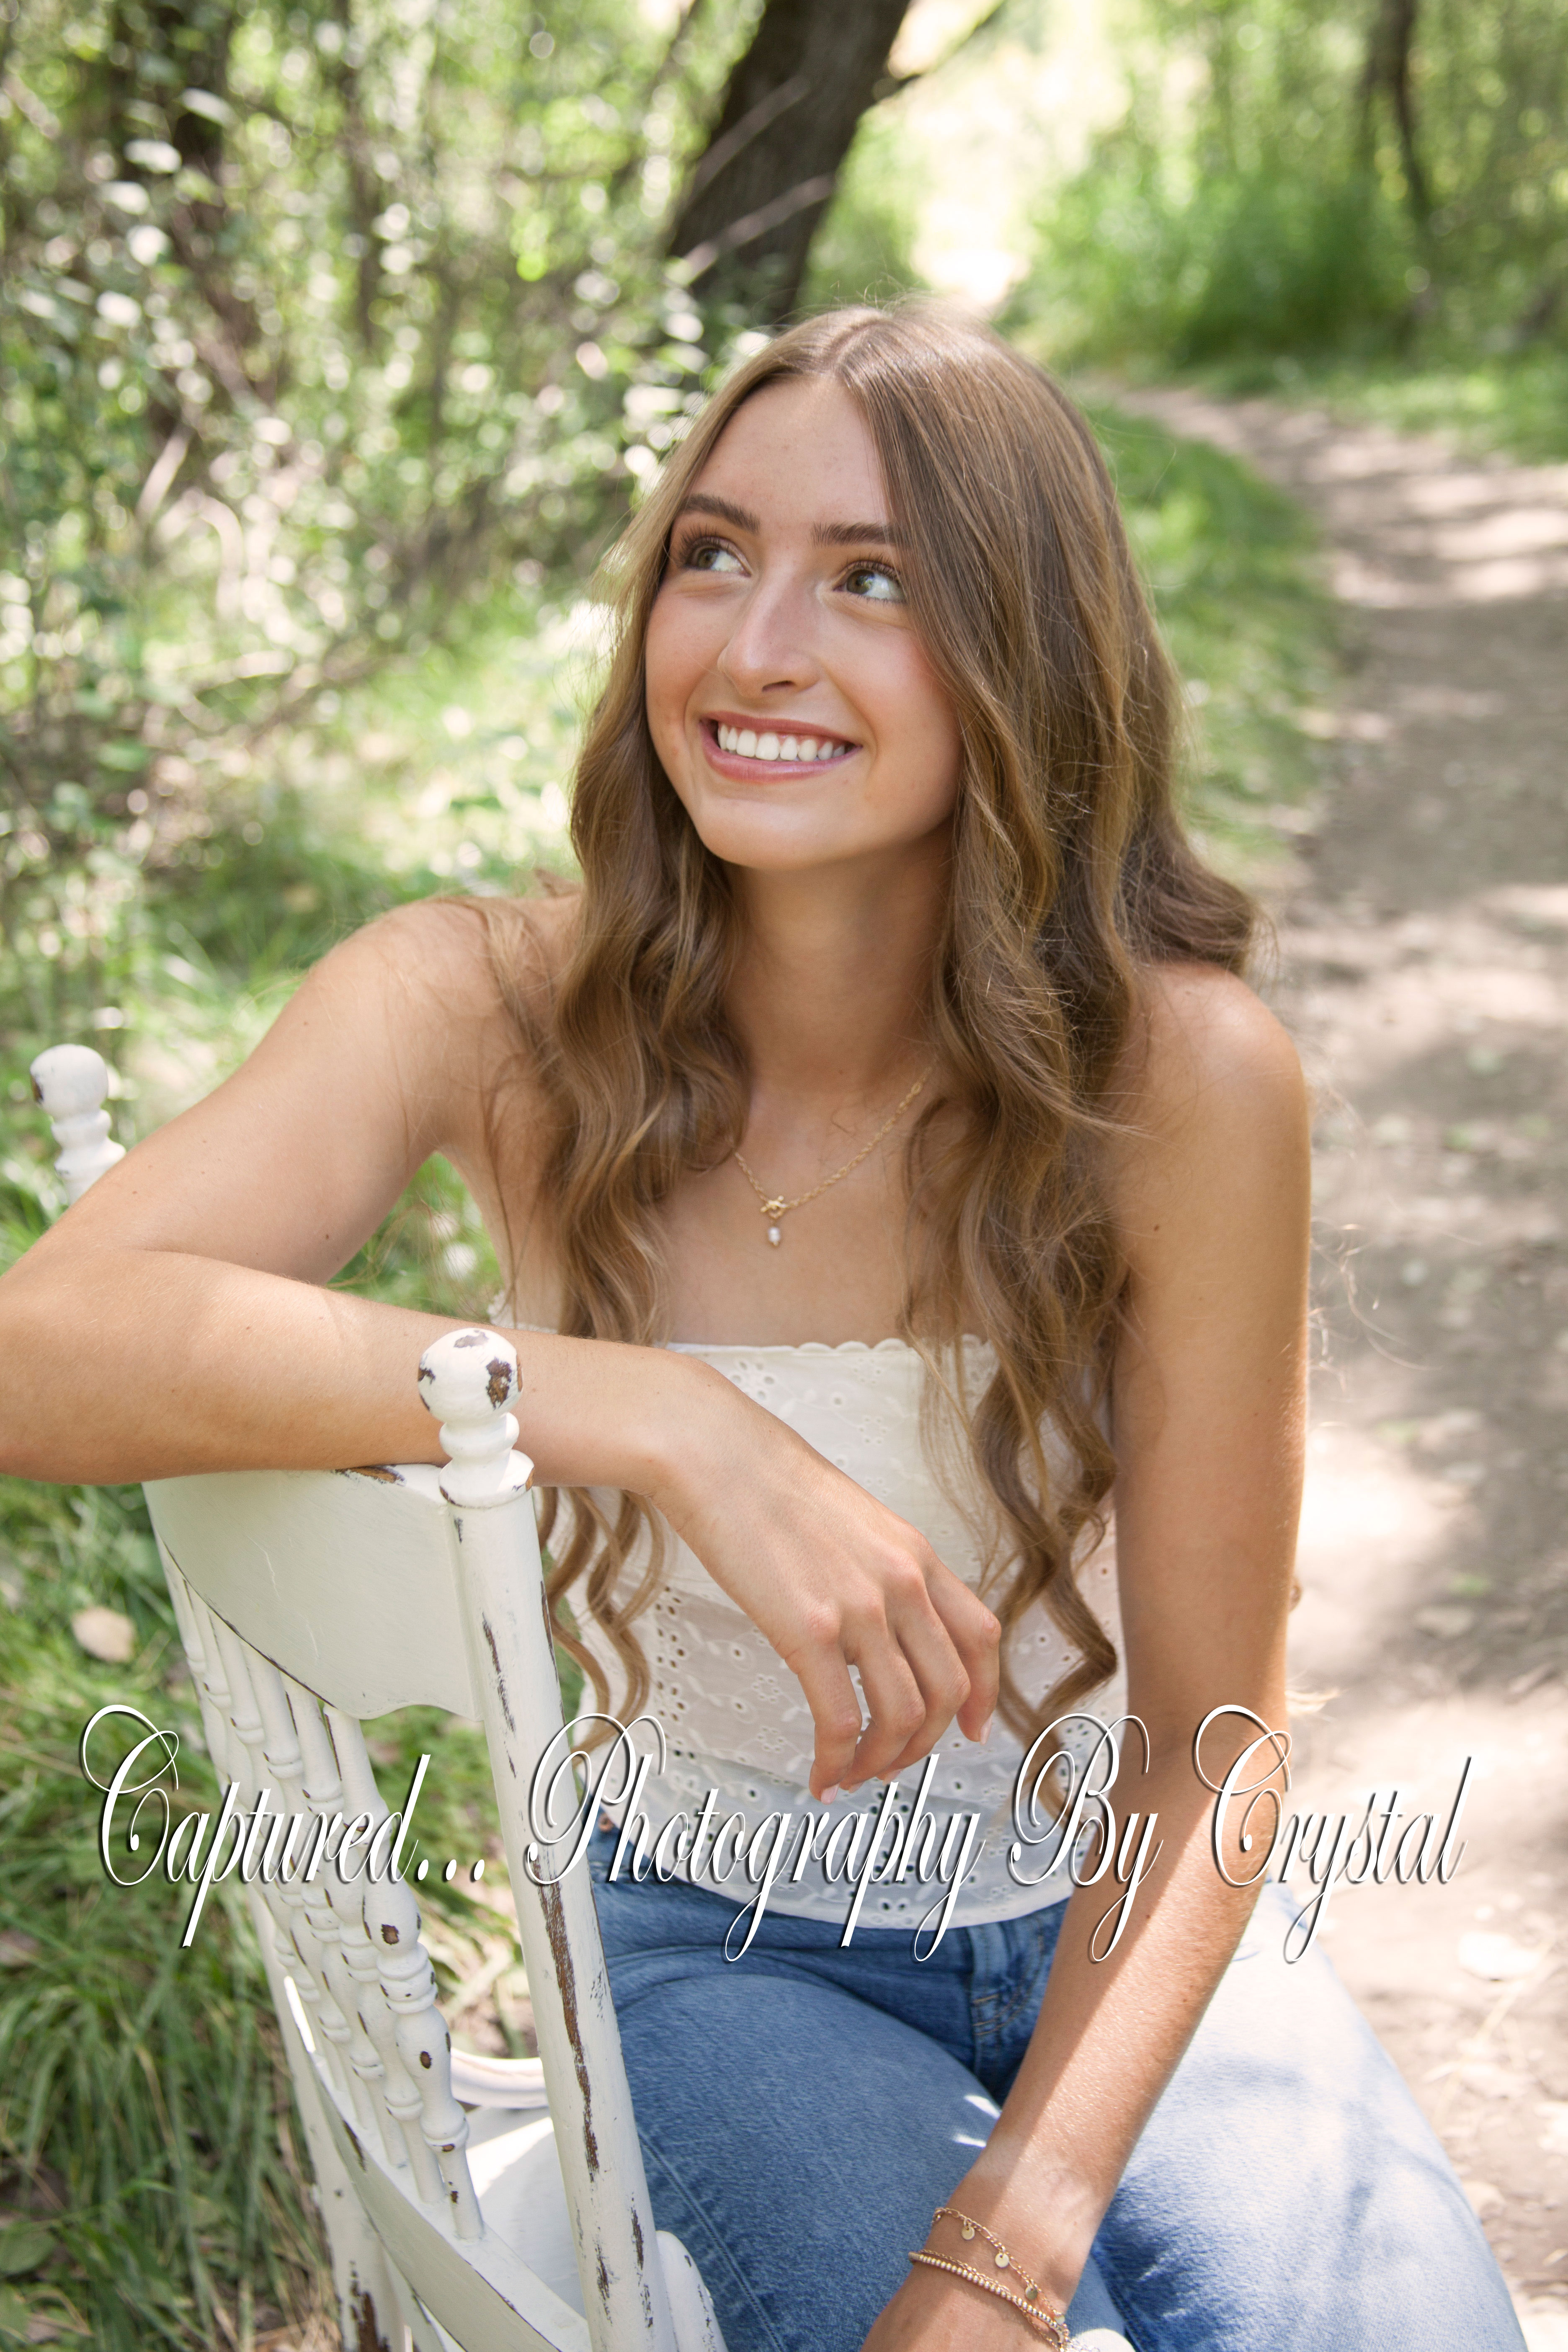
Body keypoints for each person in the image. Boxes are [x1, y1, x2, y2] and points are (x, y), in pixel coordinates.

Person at [0, 305, 1524, 2352]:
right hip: (718, 1948)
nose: (756, 647)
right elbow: (38, 1348)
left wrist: (1016, 2238)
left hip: (1133, 1920)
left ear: (1024, 655)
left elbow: (1212, 1752)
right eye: (711, 556)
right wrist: (666, 1418)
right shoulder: (480, 1011)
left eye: (871, 580)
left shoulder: (1187, 1084)